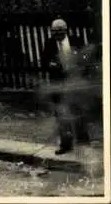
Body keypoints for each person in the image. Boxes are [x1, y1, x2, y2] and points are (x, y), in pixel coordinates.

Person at [41, 18, 88, 155]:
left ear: (66, 30)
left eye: (59, 31)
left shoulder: (77, 41)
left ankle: (83, 143)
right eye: (54, 32)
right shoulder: (49, 44)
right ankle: (66, 145)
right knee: (62, 116)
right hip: (58, 86)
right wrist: (50, 65)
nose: (57, 34)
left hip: (74, 84)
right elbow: (44, 62)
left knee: (78, 113)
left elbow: (84, 60)